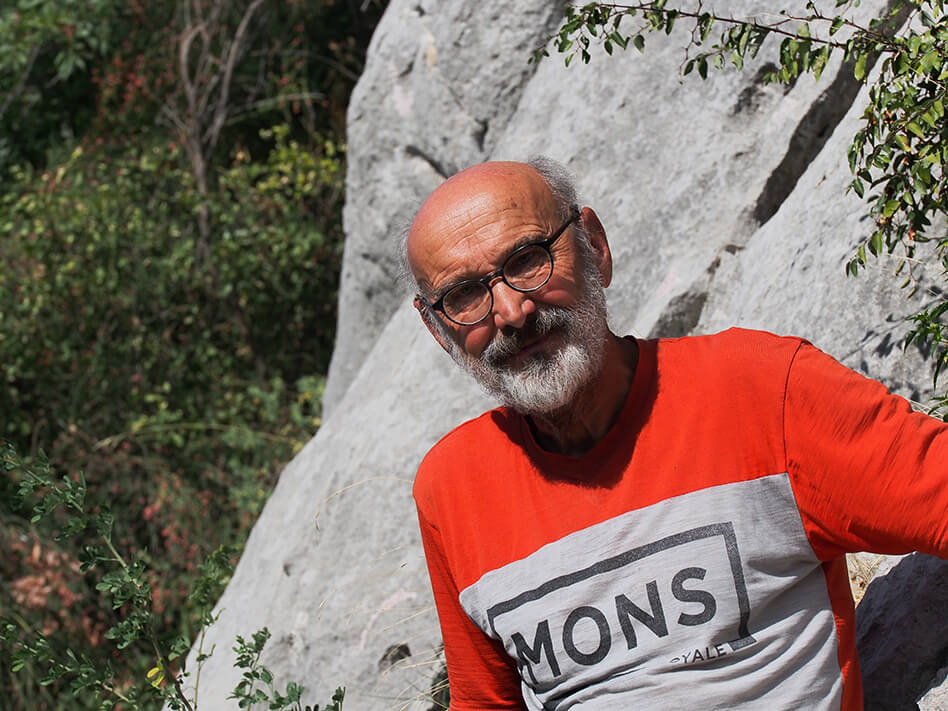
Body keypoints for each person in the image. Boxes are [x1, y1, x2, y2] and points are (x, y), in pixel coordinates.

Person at [404, 157, 948, 710]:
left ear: (594, 246)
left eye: (527, 260)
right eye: (464, 296)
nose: (512, 311)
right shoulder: (452, 489)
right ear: (437, 327)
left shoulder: (759, 391)